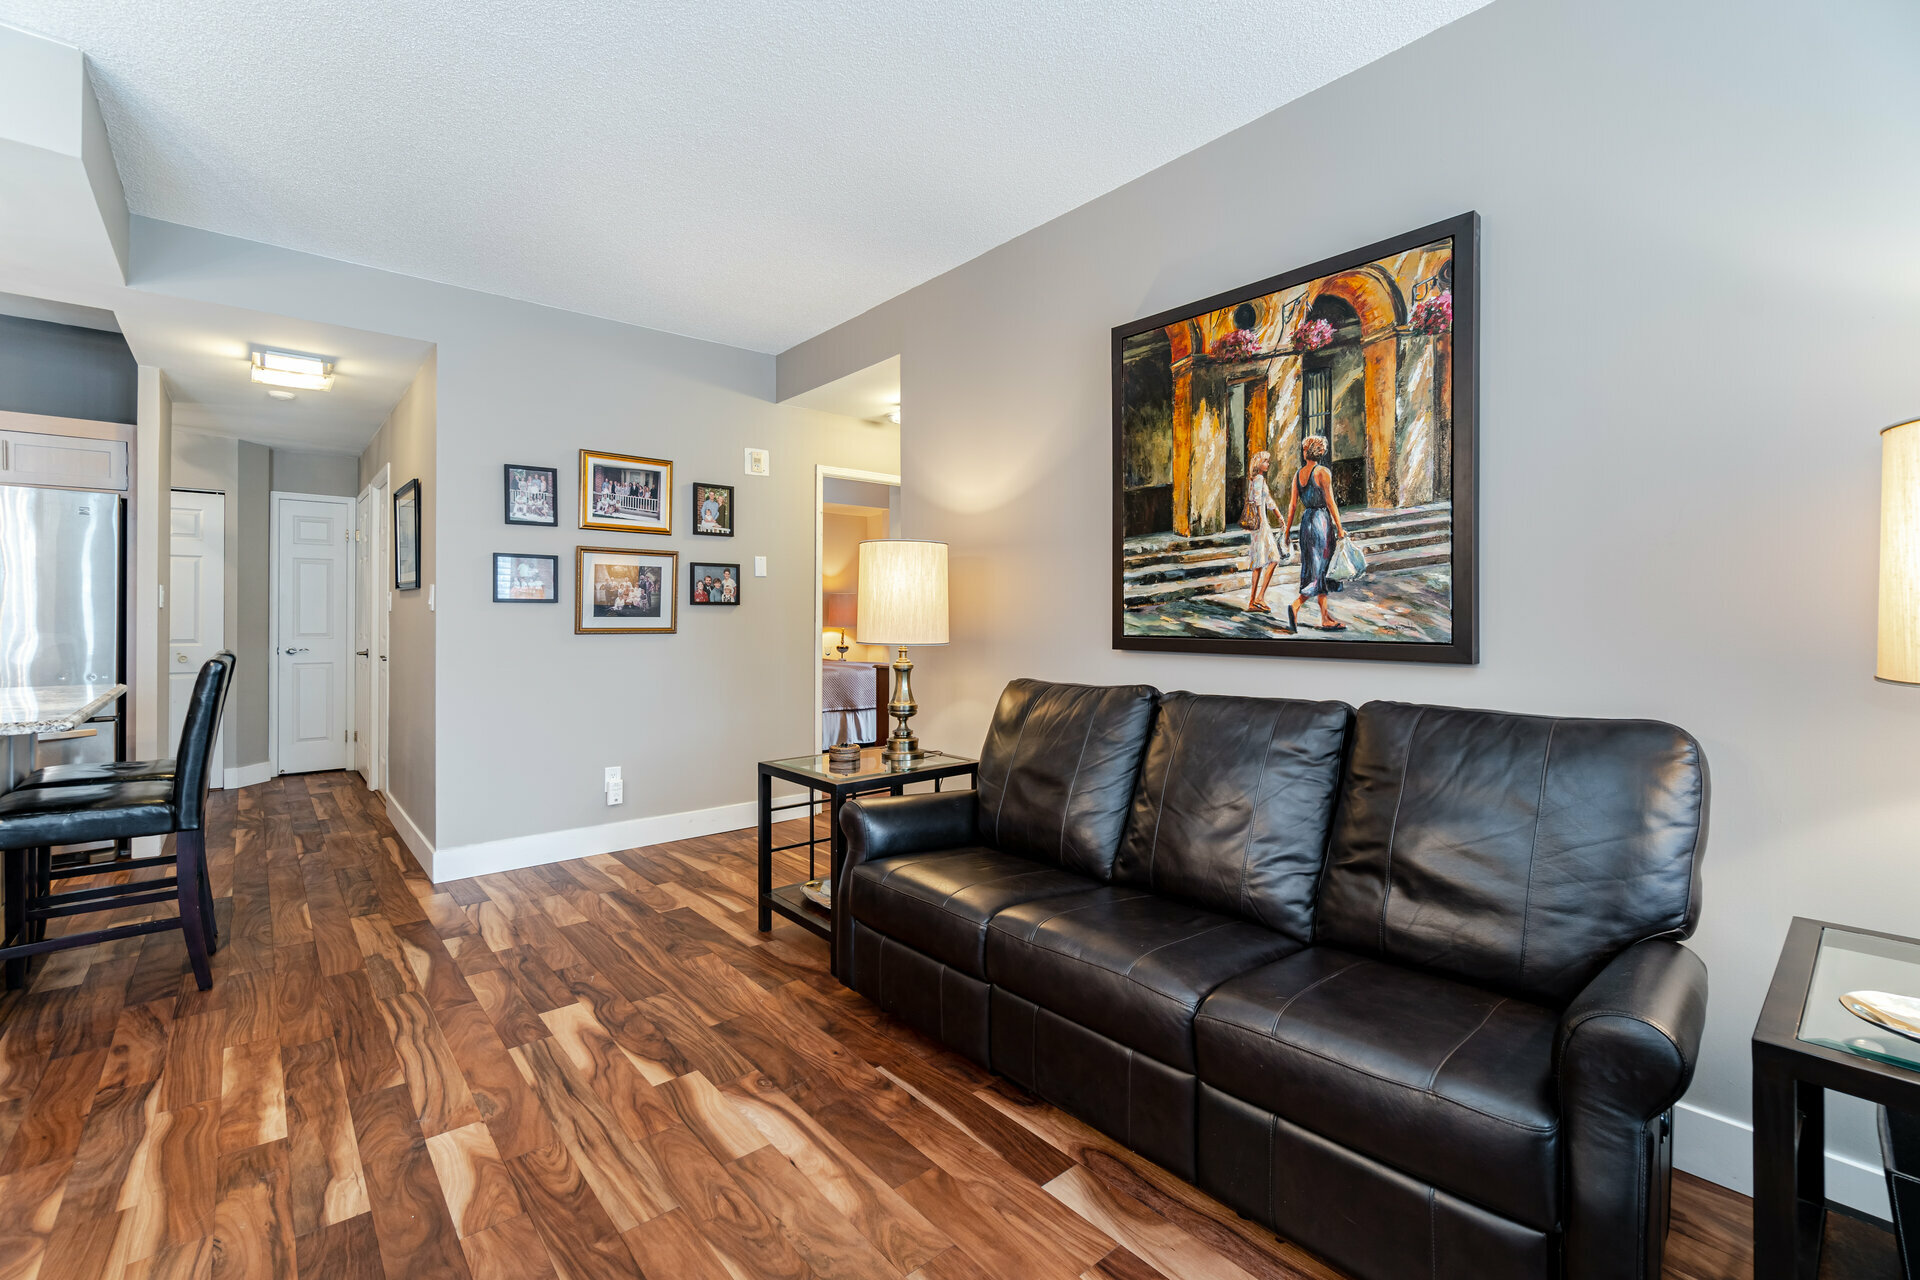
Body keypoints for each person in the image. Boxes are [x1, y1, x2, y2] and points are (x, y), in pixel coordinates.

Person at [1281, 435, 1349, 632]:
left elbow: (1293, 506)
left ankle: (1325, 616)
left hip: (1306, 523)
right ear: (1320, 453)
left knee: (1316, 568)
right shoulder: (1322, 472)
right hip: (1321, 522)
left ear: (1306, 452)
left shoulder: (1298, 475)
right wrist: (1340, 528)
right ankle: (1296, 605)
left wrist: (1287, 532)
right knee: (1320, 570)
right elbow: (1330, 502)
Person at [1241, 450, 1286, 614]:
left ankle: (1254, 600)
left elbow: (1268, 501)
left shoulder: (1257, 479)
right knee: (1273, 559)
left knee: (1260, 562)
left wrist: (1279, 516)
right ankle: (1258, 597)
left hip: (1261, 525)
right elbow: (1258, 501)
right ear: (1259, 464)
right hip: (1261, 525)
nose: (1268, 464)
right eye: (1266, 461)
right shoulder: (1259, 479)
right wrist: (1262, 520)